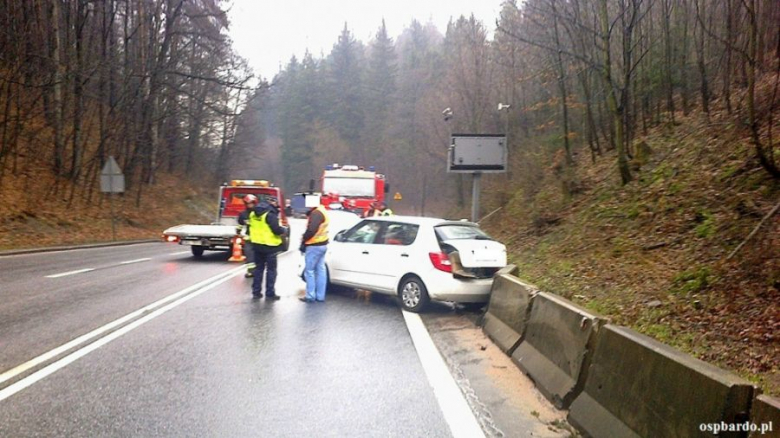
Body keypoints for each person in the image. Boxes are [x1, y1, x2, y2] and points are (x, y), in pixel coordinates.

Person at [248, 195, 288, 300]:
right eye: (275, 202)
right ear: (271, 202)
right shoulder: (270, 214)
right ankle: (270, 293)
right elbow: (276, 229)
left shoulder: (253, 213)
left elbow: (251, 227)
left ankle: (256, 292)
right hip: (270, 246)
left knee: (258, 269)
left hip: (257, 245)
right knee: (271, 271)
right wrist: (283, 230)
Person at [299, 196, 329, 303]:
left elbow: (311, 230)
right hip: (322, 244)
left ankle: (310, 296)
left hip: (314, 245)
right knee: (321, 270)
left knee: (310, 271)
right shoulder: (322, 210)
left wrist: (304, 240)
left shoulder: (316, 213)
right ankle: (320, 296)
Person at [237, 194, 257, 278]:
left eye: (251, 203)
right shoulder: (243, 214)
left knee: (259, 256)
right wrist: (238, 230)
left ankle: (258, 270)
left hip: (259, 239)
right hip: (249, 238)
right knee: (249, 256)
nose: (250, 205)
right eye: (248, 203)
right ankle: (250, 271)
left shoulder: (258, 213)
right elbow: (240, 223)